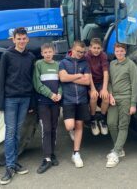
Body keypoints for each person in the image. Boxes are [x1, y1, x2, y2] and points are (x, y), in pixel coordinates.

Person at [0, 27, 35, 185]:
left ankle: (14, 162)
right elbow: (1, 79)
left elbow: (32, 80)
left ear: (27, 39)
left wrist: (32, 101)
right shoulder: (7, 55)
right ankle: (10, 166)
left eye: (23, 38)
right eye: (18, 39)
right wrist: (0, 102)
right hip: (10, 99)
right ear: (13, 40)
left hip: (25, 98)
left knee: (17, 132)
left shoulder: (31, 57)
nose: (21, 41)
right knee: (10, 132)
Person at [105, 43, 137, 168]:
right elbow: (109, 82)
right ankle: (119, 149)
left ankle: (115, 153)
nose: (119, 53)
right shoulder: (112, 64)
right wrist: (110, 95)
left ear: (125, 52)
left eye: (121, 51)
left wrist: (133, 104)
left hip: (126, 98)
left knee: (123, 125)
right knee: (111, 123)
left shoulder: (131, 65)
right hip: (114, 98)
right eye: (117, 51)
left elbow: (135, 84)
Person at [59, 40, 91, 168]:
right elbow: (62, 78)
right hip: (68, 100)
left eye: (83, 52)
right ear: (72, 49)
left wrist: (71, 77)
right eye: (78, 51)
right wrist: (78, 75)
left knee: (79, 125)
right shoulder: (63, 62)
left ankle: (76, 153)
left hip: (82, 100)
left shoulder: (85, 63)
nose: (80, 54)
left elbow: (87, 81)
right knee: (69, 126)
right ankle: (70, 130)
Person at [33, 43, 62, 174]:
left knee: (54, 128)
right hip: (43, 102)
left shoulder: (58, 65)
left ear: (53, 52)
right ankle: (46, 158)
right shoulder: (38, 65)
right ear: (42, 53)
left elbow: (61, 83)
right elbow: (37, 84)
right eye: (46, 52)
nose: (48, 54)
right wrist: (50, 95)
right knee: (47, 128)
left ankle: (52, 153)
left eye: (50, 51)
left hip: (55, 102)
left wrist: (60, 94)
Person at [84, 38, 110, 136]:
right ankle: (93, 119)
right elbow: (89, 73)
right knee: (93, 97)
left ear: (101, 49)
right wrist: (93, 89)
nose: (96, 50)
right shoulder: (87, 56)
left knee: (106, 98)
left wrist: (104, 89)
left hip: (100, 82)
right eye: (94, 48)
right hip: (91, 82)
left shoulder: (103, 56)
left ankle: (103, 119)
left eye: (98, 48)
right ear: (90, 48)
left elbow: (105, 72)